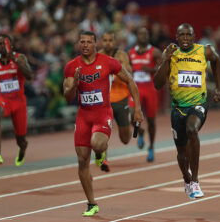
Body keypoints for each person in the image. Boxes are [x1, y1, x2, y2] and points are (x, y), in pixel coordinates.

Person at [63, 31, 143, 217]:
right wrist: (74, 84)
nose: (85, 45)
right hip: (83, 116)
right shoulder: (71, 67)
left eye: (88, 42)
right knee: (82, 160)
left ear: (95, 44)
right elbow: (67, 96)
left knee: (97, 143)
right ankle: (92, 203)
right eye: (81, 42)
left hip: (102, 113)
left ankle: (100, 153)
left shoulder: (108, 61)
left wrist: (137, 109)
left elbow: (130, 80)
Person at [154, 23, 220, 199]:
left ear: (194, 37)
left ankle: (195, 181)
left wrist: (218, 88)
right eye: (181, 35)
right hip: (178, 108)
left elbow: (217, 61)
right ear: (176, 37)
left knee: (192, 129)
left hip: (198, 103)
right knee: (182, 154)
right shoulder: (170, 52)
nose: (185, 38)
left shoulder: (204, 51)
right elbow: (157, 84)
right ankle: (187, 178)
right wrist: (166, 60)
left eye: (188, 35)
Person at [0, 34, 34, 166]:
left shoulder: (20, 58)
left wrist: (15, 61)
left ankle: (23, 148)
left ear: (11, 45)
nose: (1, 46)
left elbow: (29, 76)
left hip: (19, 102)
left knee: (20, 139)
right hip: (4, 99)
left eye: (4, 43)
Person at [98, 31, 133, 172]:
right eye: (105, 40)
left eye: (110, 40)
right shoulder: (98, 55)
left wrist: (117, 69)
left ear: (115, 41)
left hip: (120, 98)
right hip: (104, 100)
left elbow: (128, 72)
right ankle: (103, 159)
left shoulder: (121, 55)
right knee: (103, 131)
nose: (107, 43)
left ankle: (131, 124)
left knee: (125, 139)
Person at [129, 27, 162, 162]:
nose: (143, 36)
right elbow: (125, 69)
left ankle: (151, 147)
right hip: (136, 88)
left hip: (149, 89)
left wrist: (150, 69)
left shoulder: (155, 52)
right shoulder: (130, 53)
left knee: (151, 120)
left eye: (145, 34)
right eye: (140, 34)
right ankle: (140, 131)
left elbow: (162, 69)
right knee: (132, 115)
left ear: (148, 36)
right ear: (137, 36)